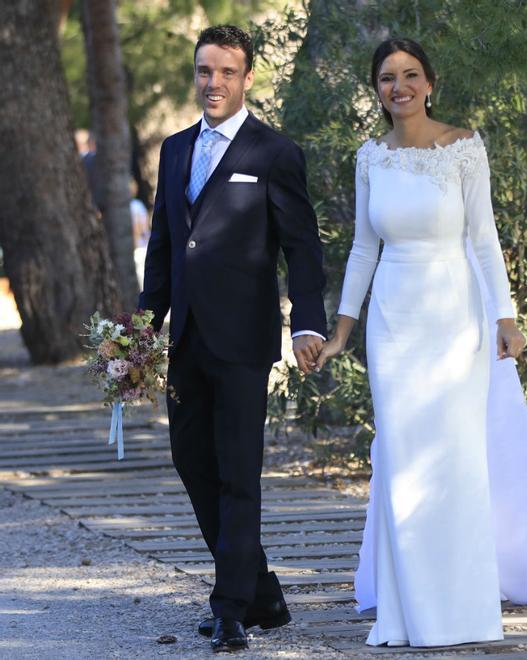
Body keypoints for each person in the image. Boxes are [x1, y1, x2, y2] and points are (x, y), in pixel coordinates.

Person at [317, 38, 527, 648]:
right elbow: (365, 247)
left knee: (456, 460)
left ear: (430, 83)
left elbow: (483, 238)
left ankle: (463, 614)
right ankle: (407, 613)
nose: (400, 87)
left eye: (411, 75)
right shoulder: (370, 158)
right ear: (377, 89)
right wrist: (343, 326)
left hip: (456, 319)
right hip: (393, 320)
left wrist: (506, 316)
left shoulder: (464, 147)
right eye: (388, 78)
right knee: (401, 458)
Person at [139, 25, 326, 652]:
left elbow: (302, 246)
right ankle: (262, 589)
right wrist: (145, 328)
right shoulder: (173, 150)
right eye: (203, 71)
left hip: (244, 342)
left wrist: (307, 321)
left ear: (247, 78)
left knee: (239, 473)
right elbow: (165, 247)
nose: (212, 83)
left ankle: (230, 608)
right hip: (187, 340)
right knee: (192, 463)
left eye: (225, 72)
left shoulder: (274, 152)